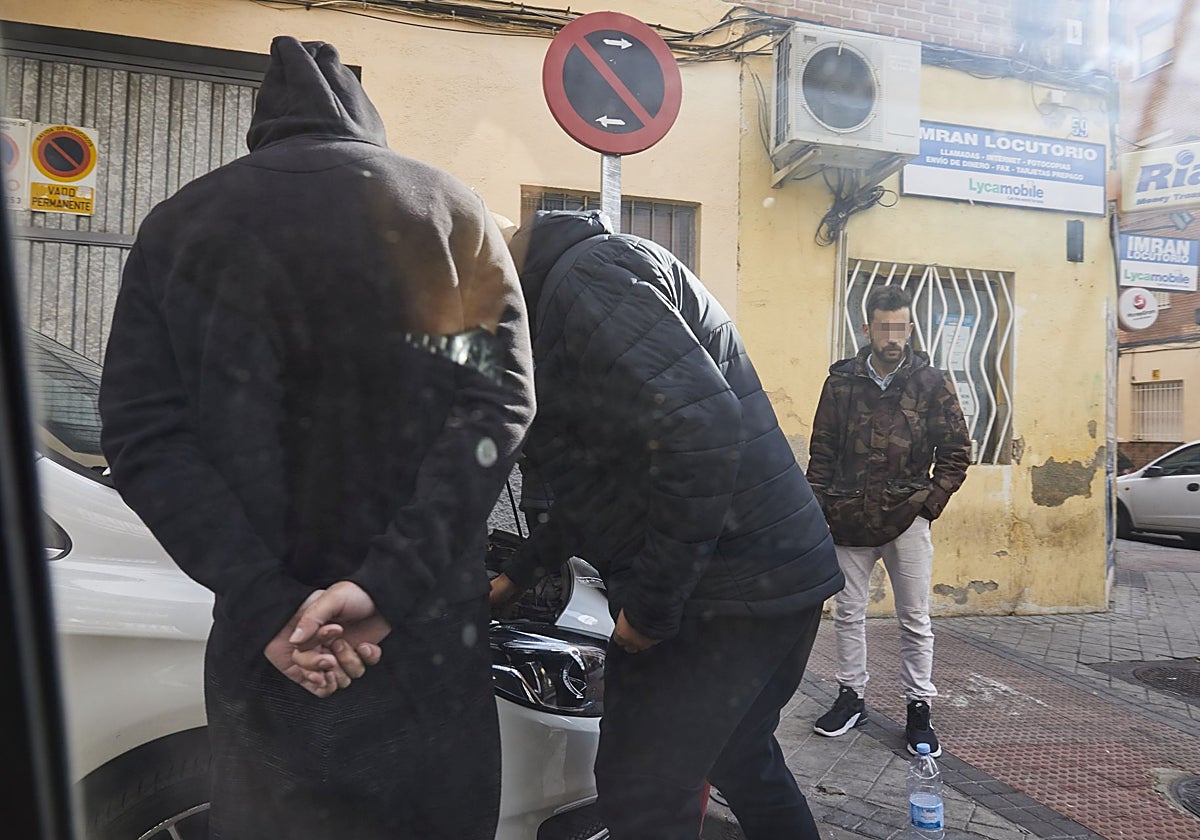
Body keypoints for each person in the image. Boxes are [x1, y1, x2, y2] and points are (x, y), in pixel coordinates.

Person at [98, 37, 533, 840]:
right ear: (365, 120)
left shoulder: (180, 226)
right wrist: (388, 587)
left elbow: (142, 434)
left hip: (266, 652)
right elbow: (497, 406)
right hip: (425, 641)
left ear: (264, 129)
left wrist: (270, 607)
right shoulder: (445, 211)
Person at [489, 209, 844, 840]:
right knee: (740, 758)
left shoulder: (587, 279)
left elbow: (701, 428)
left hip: (726, 595)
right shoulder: (570, 293)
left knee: (641, 792)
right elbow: (604, 482)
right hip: (772, 577)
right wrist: (518, 574)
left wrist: (651, 608)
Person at [806, 284, 971, 757]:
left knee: (915, 619)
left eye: (901, 327)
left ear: (910, 327)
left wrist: (927, 505)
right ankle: (849, 697)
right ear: (868, 328)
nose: (893, 336)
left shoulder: (931, 381)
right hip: (848, 517)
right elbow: (822, 452)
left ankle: (919, 707)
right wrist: (818, 509)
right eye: (885, 327)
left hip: (907, 518)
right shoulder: (841, 382)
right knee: (847, 613)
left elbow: (957, 452)